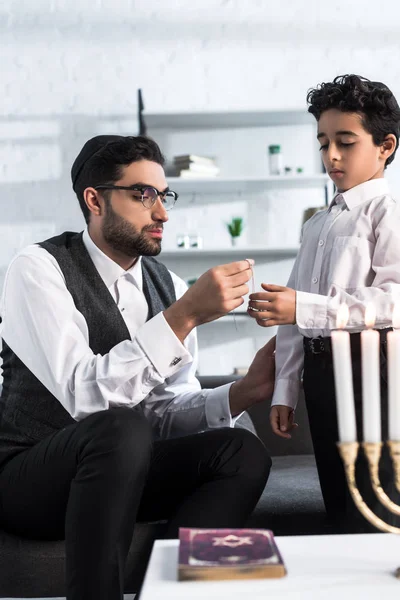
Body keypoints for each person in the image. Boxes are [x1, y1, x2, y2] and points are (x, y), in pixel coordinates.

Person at [0, 134, 275, 600]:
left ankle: (168, 594)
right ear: (95, 200)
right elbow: (85, 396)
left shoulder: (165, 283)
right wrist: (183, 316)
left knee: (241, 451)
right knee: (120, 430)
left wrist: (243, 391)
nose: (162, 213)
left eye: (163, 196)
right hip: (31, 477)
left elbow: (162, 412)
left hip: (123, 466)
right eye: (142, 195)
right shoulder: (39, 268)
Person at [247, 74, 400, 532]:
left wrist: (305, 307)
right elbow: (291, 318)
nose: (331, 155)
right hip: (321, 376)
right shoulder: (316, 224)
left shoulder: (388, 211)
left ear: (386, 146)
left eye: (346, 142)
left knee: (378, 504)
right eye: (323, 142)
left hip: (372, 373)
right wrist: (285, 390)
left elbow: (393, 300)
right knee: (340, 497)